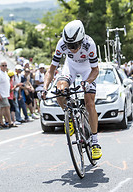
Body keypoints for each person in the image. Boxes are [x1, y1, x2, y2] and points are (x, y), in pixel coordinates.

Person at [42, 20, 102, 160]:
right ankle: (69, 116)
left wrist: (87, 83)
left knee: (89, 103)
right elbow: (51, 70)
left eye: (74, 45)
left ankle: (95, 142)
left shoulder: (89, 44)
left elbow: (95, 70)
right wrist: (44, 89)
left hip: (88, 69)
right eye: (69, 46)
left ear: (81, 40)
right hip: (71, 67)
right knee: (60, 90)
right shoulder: (62, 43)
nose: (72, 48)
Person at [0, 61, 15, 128]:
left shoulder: (5, 73)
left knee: (4, 108)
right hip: (2, 93)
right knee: (5, 107)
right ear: (0, 66)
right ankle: (7, 121)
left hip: (6, 93)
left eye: (5, 65)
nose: (4, 67)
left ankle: (5, 121)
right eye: (3, 65)